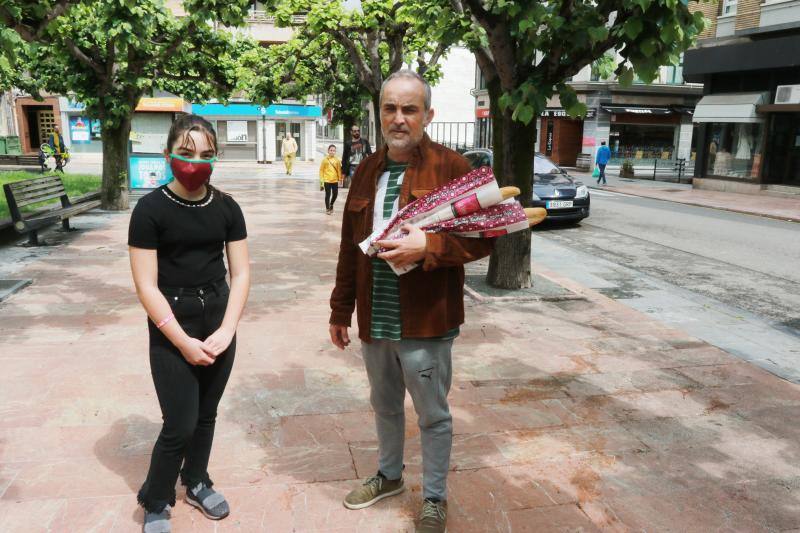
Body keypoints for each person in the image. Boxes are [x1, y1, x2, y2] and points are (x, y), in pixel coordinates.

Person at [328, 70, 493, 533]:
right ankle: (390, 476)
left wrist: (430, 248)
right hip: (375, 317)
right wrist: (341, 310)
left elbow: (485, 238)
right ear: (380, 112)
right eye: (390, 109)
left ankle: (435, 498)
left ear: (428, 114)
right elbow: (349, 245)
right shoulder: (365, 168)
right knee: (384, 405)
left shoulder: (453, 167)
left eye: (409, 109)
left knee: (433, 414)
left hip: (425, 321)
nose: (398, 119)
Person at [128, 114, 250, 533]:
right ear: (168, 155)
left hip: (218, 321)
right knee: (179, 421)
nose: (195, 163)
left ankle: (196, 480)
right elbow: (146, 285)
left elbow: (242, 274)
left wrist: (228, 329)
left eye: (205, 155)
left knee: (206, 414)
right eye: (185, 153)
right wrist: (181, 342)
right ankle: (156, 497)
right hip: (171, 326)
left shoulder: (227, 207)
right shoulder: (149, 210)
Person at [319, 144, 343, 215]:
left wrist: (340, 179)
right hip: (327, 180)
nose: (332, 152)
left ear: (335, 152)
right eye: (331, 150)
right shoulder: (325, 160)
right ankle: (327, 209)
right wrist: (321, 181)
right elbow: (321, 170)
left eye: (334, 151)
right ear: (328, 151)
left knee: (335, 194)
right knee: (328, 195)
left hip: (335, 180)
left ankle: (331, 204)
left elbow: (339, 170)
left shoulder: (337, 160)